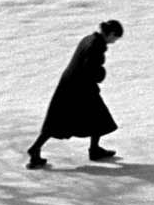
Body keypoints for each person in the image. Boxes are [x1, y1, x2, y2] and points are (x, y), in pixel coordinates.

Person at [26, 20, 123, 169]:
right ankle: (36, 149)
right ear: (111, 34)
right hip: (79, 88)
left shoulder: (90, 39)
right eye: (115, 38)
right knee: (93, 116)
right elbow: (90, 69)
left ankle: (94, 149)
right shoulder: (96, 45)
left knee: (66, 119)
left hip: (71, 84)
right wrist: (101, 74)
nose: (114, 42)